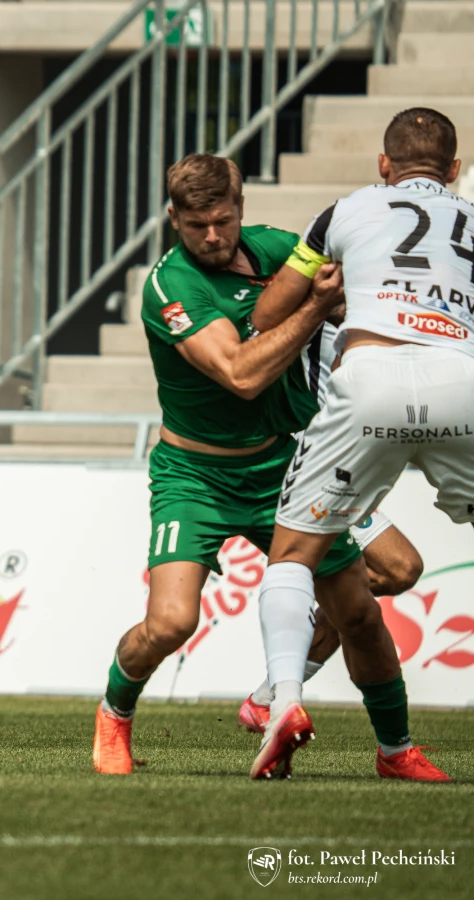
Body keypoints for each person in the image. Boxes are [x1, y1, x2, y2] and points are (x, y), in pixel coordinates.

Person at [92, 153, 370, 779]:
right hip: (195, 476)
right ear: (174, 220)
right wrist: (314, 309)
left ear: (241, 209)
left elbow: (348, 293)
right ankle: (115, 711)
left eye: (223, 221)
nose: (213, 236)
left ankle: (327, 719)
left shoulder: (278, 249)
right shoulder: (170, 286)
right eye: (197, 226)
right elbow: (241, 376)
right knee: (171, 623)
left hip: (281, 465)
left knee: (379, 580)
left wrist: (343, 304)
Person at [247, 107, 470, 782]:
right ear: (454, 170)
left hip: (369, 379)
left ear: (383, 165)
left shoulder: (344, 211)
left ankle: (281, 701)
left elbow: (266, 315)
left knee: (294, 555)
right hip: (461, 381)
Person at [237, 319, 425, 733]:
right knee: (398, 567)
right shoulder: (313, 308)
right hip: (317, 463)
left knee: (378, 580)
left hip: (352, 467)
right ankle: (270, 694)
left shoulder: (390, 311)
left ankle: (267, 697)